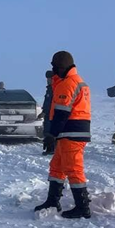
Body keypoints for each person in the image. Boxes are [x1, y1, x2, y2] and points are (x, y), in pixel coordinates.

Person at [34, 51, 92, 219]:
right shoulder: (76, 81)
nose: (52, 70)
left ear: (61, 67)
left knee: (73, 169)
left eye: (54, 66)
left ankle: (82, 207)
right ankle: (53, 201)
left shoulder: (69, 83)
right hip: (70, 132)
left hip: (71, 132)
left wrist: (51, 134)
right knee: (57, 166)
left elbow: (61, 113)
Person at [41, 70, 55, 155]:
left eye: (49, 79)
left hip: (51, 114)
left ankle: (51, 149)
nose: (48, 80)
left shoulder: (53, 89)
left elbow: (49, 103)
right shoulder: (49, 89)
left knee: (49, 132)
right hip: (48, 114)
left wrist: (44, 112)